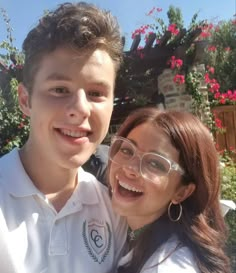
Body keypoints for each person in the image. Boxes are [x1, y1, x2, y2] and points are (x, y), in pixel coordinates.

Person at [0, 2, 127, 273]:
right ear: (25, 100)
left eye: (96, 93)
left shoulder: (112, 209)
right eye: (59, 89)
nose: (81, 109)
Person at [107, 107, 231, 273]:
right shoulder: (130, 233)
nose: (130, 168)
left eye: (155, 163)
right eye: (127, 150)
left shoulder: (167, 266)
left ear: (182, 192)